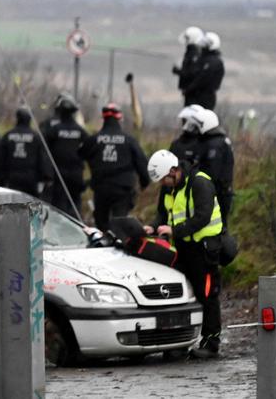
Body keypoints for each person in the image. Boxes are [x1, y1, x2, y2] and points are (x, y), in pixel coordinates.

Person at [146, 150, 224, 359]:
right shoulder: (169, 188)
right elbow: (163, 214)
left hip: (205, 249)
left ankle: (211, 342)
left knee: (207, 296)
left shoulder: (199, 183)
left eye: (164, 179)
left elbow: (202, 217)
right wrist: (153, 227)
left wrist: (175, 231)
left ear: (174, 171)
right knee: (183, 294)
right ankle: (180, 340)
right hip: (184, 249)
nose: (163, 184)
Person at [79, 103, 149, 232]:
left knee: (102, 225)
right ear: (119, 118)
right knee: (120, 224)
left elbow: (80, 155)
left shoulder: (93, 140)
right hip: (122, 190)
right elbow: (142, 162)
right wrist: (144, 182)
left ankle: (102, 246)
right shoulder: (129, 141)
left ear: (103, 118)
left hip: (101, 190)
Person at [41, 92, 88, 218]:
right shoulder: (81, 131)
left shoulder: (53, 130)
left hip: (58, 175)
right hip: (76, 176)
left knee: (58, 207)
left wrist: (47, 174)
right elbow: (88, 151)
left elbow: (44, 152)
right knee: (75, 206)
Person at [0, 107, 54, 198]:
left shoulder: (8, 136)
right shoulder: (36, 137)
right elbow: (43, 159)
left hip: (11, 179)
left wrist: (1, 176)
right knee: (30, 206)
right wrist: (47, 177)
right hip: (31, 180)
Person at [193, 109, 236, 223]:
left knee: (218, 225)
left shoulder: (215, 144)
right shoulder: (217, 141)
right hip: (221, 191)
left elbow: (212, 172)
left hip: (218, 193)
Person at [182, 31, 225, 109]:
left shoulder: (213, 62)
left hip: (203, 98)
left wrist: (189, 89)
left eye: (205, 45)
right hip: (196, 96)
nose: (202, 47)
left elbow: (202, 79)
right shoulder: (203, 59)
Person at [173, 26, 205, 106]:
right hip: (189, 91)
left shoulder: (194, 54)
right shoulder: (191, 52)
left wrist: (178, 71)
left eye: (187, 38)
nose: (186, 41)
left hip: (193, 92)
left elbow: (192, 73)